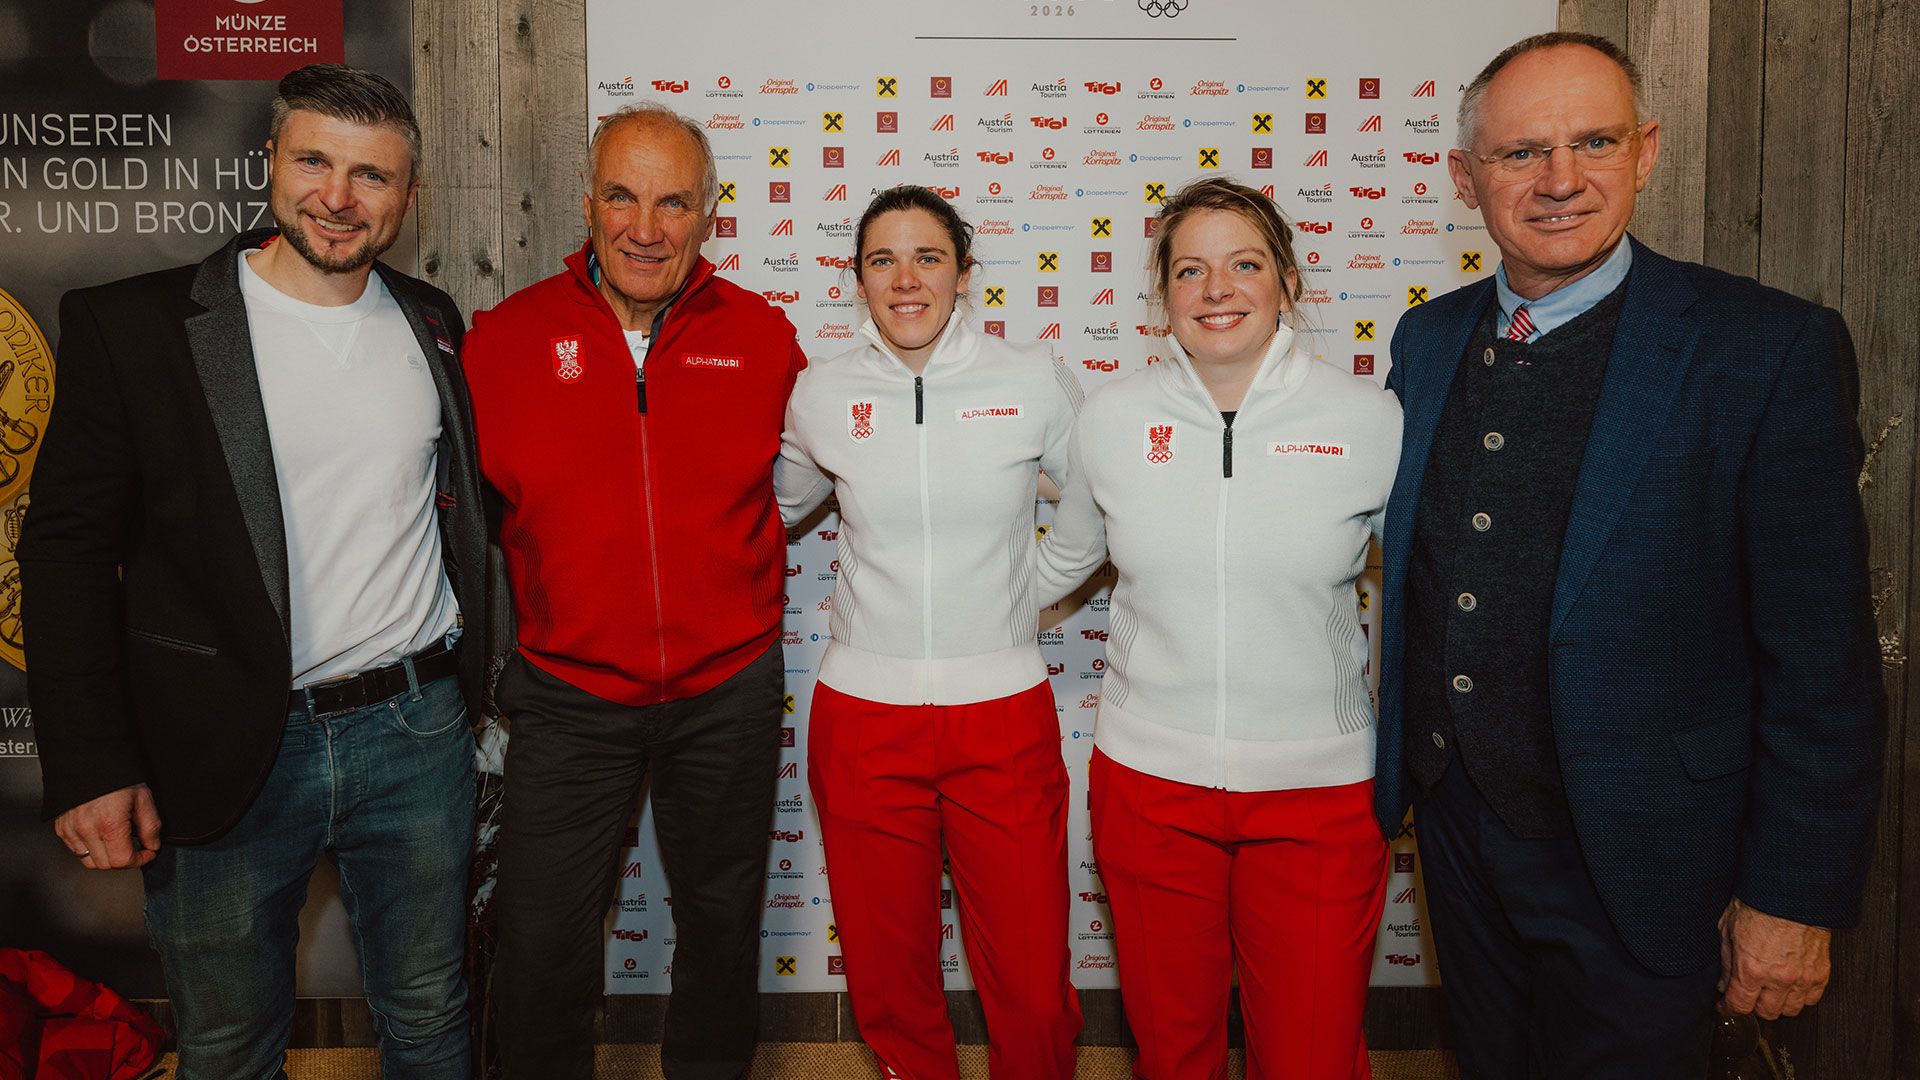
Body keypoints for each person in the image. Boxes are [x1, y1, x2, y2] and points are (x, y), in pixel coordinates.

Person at [1376, 31, 1885, 1079]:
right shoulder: (1426, 341)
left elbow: (1821, 659)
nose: (1561, 180)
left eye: (1594, 141)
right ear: (1465, 178)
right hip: (1464, 836)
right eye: (1521, 154)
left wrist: (1792, 893)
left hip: (1653, 858)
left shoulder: (1765, 350)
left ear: (1645, 150)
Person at [23, 64, 488, 1079]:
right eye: (314, 160)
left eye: (372, 175)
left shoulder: (433, 322)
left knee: (430, 1014)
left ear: (408, 197)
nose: (338, 196)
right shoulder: (136, 327)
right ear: (270, 163)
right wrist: (93, 762)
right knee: (230, 1043)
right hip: (223, 739)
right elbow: (61, 551)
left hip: (414, 734)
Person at [461, 102, 805, 1080]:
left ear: (708, 217)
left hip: (725, 690)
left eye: (672, 202)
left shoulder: (764, 338)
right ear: (588, 200)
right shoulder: (506, 342)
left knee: (721, 929)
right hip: (570, 697)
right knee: (537, 946)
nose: (644, 227)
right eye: (622, 195)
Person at [1038, 176, 1401, 1079]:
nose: (1217, 289)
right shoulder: (1112, 419)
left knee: (1312, 1058)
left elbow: (1437, 595)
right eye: (1190, 270)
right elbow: (1058, 565)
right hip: (1150, 788)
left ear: (1286, 280)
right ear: (1162, 297)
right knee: (1172, 1051)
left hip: (1318, 795)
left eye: (1244, 264)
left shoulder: (1371, 420)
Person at [776, 186, 1085, 1080]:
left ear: (963, 275)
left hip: (1003, 713)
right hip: (862, 717)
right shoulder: (820, 393)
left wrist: (1031, 594)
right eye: (883, 261)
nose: (906, 280)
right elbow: (775, 508)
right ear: (858, 281)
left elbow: (1099, 505)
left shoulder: (1029, 375)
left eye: (928, 258)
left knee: (1029, 977)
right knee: (887, 972)